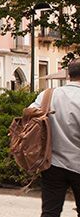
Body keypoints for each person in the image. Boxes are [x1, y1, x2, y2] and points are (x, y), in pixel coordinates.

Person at [34, 61, 80, 217]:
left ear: (68, 75)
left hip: (52, 163)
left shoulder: (47, 95)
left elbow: (29, 115)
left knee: (50, 212)